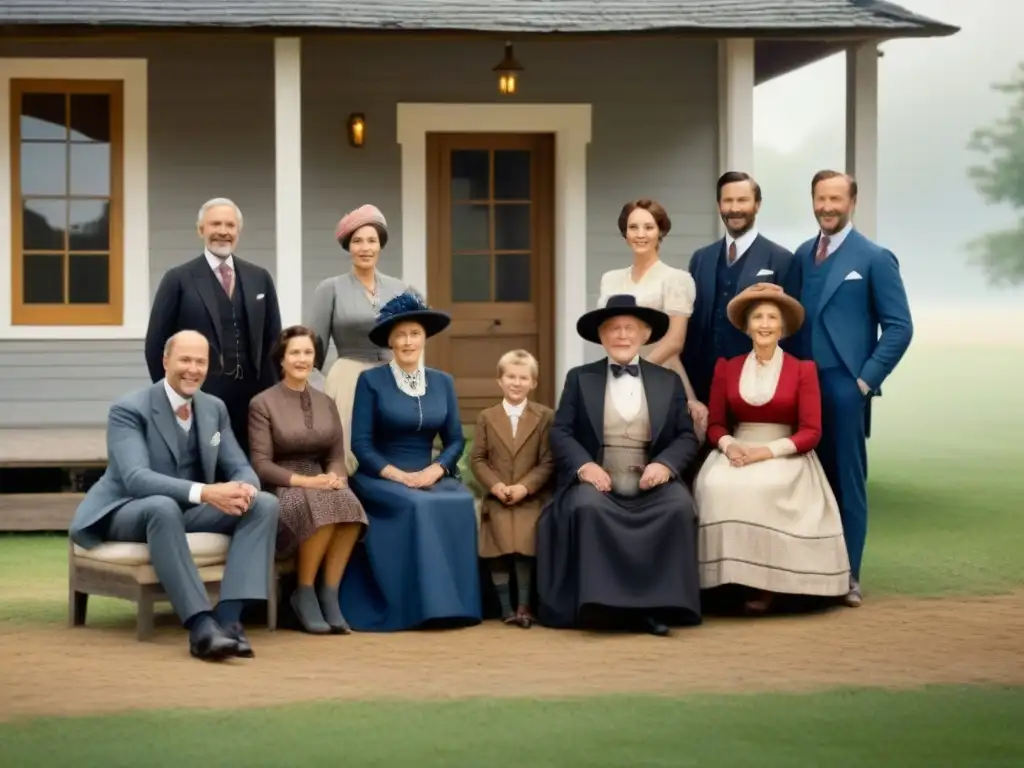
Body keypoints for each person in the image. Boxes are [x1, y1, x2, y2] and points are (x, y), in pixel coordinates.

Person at [69, 330, 279, 661]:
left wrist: (244, 487)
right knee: (162, 506)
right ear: (165, 361)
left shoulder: (213, 411)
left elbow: (235, 462)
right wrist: (207, 492)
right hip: (126, 509)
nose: (193, 369)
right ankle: (200, 626)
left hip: (186, 509)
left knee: (263, 504)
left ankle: (229, 620)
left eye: (201, 362)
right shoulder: (129, 410)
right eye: (185, 360)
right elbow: (137, 478)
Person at [535, 295, 702, 636]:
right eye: (613, 329)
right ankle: (600, 607)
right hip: (600, 479)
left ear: (644, 334)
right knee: (586, 508)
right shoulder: (580, 378)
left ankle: (655, 608)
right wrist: (585, 467)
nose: (622, 335)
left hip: (651, 480)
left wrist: (666, 466)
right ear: (602, 336)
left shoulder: (666, 381)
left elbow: (686, 437)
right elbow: (562, 432)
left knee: (679, 507)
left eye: (629, 328)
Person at [790, 170, 913, 607]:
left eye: (836, 198)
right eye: (821, 198)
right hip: (801, 387)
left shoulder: (875, 258)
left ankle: (850, 574)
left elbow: (900, 328)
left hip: (845, 386)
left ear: (852, 202)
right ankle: (808, 571)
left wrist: (864, 381)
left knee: (848, 481)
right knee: (806, 481)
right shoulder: (803, 255)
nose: (827, 206)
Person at [694, 284, 851, 613]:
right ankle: (723, 579)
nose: (764, 324)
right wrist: (729, 445)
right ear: (747, 325)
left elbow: (811, 431)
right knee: (715, 484)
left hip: (784, 451)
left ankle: (766, 585)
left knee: (764, 486)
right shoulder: (727, 367)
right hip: (737, 447)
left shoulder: (802, 369)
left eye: (772, 318)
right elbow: (717, 424)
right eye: (758, 317)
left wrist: (766, 452)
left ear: (783, 327)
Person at [338, 291, 482, 631]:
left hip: (429, 474)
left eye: (414, 333)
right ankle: (419, 607)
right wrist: (400, 476)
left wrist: (435, 469)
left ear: (424, 337)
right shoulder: (370, 380)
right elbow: (361, 443)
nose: (407, 341)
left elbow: (455, 439)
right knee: (417, 505)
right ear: (390, 340)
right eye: (400, 335)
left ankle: (457, 606)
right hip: (381, 475)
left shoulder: (443, 382)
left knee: (461, 500)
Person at [248, 326, 369, 635]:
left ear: (315, 359)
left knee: (351, 507)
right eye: (295, 353)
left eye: (308, 353)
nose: (302, 359)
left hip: (321, 479)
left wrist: (336, 477)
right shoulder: (262, 403)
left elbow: (336, 454)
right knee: (322, 506)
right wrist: (306, 482)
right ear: (282, 359)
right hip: (284, 484)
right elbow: (261, 464)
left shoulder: (326, 401)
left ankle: (329, 592)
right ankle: (304, 592)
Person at [144, 198, 283, 456]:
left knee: (250, 466)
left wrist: (275, 393)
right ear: (201, 230)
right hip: (202, 396)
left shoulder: (259, 277)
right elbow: (155, 346)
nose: (223, 231)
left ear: (238, 232)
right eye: (215, 224)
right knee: (209, 463)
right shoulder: (178, 279)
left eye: (230, 225)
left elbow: (274, 342)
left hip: (254, 398)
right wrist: (174, 396)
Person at [307, 204, 415, 473]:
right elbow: (314, 350)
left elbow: (414, 338)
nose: (365, 248)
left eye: (371, 240)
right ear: (348, 247)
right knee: (348, 453)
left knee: (393, 451)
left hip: (393, 377)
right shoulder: (330, 288)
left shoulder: (400, 288)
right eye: (357, 241)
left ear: (380, 246)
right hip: (349, 378)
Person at [683, 172, 801, 408]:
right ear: (719, 205)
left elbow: (791, 329)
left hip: (756, 382)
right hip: (700, 380)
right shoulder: (701, 258)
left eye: (742, 200)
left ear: (757, 204)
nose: (735, 208)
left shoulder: (782, 259)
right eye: (728, 201)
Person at [598, 199, 708, 441]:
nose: (640, 234)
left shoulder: (675, 279)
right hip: (618, 370)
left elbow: (675, 341)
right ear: (624, 233)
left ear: (660, 232)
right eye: (633, 227)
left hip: (661, 372)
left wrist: (636, 371)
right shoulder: (611, 280)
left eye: (648, 227)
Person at [471, 349, 555, 628]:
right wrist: (495, 486)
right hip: (498, 495)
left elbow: (548, 461)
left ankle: (524, 606)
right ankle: (506, 607)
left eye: (523, 378)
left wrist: (525, 487)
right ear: (499, 380)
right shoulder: (487, 416)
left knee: (524, 545)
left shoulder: (545, 417)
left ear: (533, 383)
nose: (516, 383)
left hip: (529, 497)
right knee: (499, 543)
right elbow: (478, 459)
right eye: (510, 377)